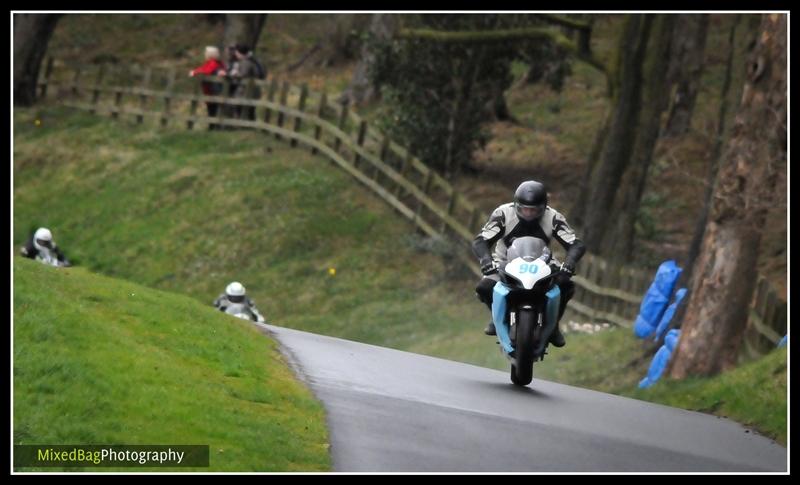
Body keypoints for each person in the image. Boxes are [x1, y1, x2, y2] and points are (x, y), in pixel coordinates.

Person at [472, 180, 586, 347]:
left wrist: (569, 263)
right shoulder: (503, 213)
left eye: (534, 210)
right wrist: (486, 260)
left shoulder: (553, 217)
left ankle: (553, 325)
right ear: (516, 205)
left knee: (565, 284)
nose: (528, 214)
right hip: (504, 262)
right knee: (484, 287)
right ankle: (497, 318)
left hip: (543, 263)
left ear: (543, 208)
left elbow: (576, 244)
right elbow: (481, 240)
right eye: (524, 209)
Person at [189, 46, 227, 130]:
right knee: (212, 108)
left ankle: (213, 127)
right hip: (211, 90)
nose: (204, 54)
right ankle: (213, 126)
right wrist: (195, 71)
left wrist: (194, 72)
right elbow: (202, 68)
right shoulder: (214, 62)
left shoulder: (213, 63)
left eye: (206, 53)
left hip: (213, 90)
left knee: (213, 109)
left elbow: (206, 71)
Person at [225, 44, 263, 121]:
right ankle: (246, 125)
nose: (235, 54)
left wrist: (231, 74)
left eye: (237, 52)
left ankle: (240, 125)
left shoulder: (246, 62)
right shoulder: (250, 61)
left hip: (245, 90)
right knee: (248, 110)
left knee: (240, 108)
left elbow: (243, 74)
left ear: (239, 53)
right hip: (250, 90)